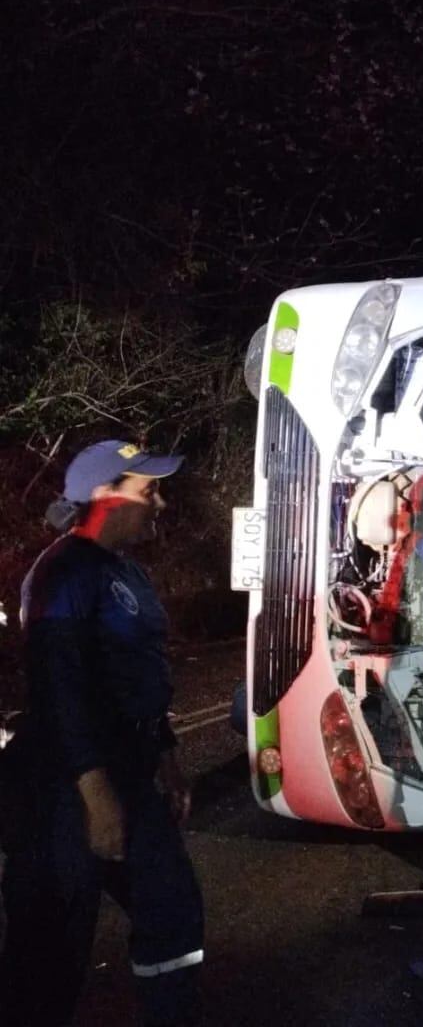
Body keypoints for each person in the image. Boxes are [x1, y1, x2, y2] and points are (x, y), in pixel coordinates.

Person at [0, 439, 204, 1027]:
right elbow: (59, 686)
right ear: (104, 495)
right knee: (50, 944)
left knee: (171, 909)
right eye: (148, 490)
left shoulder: (127, 572)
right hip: (65, 786)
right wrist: (94, 792)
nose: (161, 503)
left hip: (130, 770)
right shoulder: (62, 573)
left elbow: (139, 675)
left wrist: (165, 756)